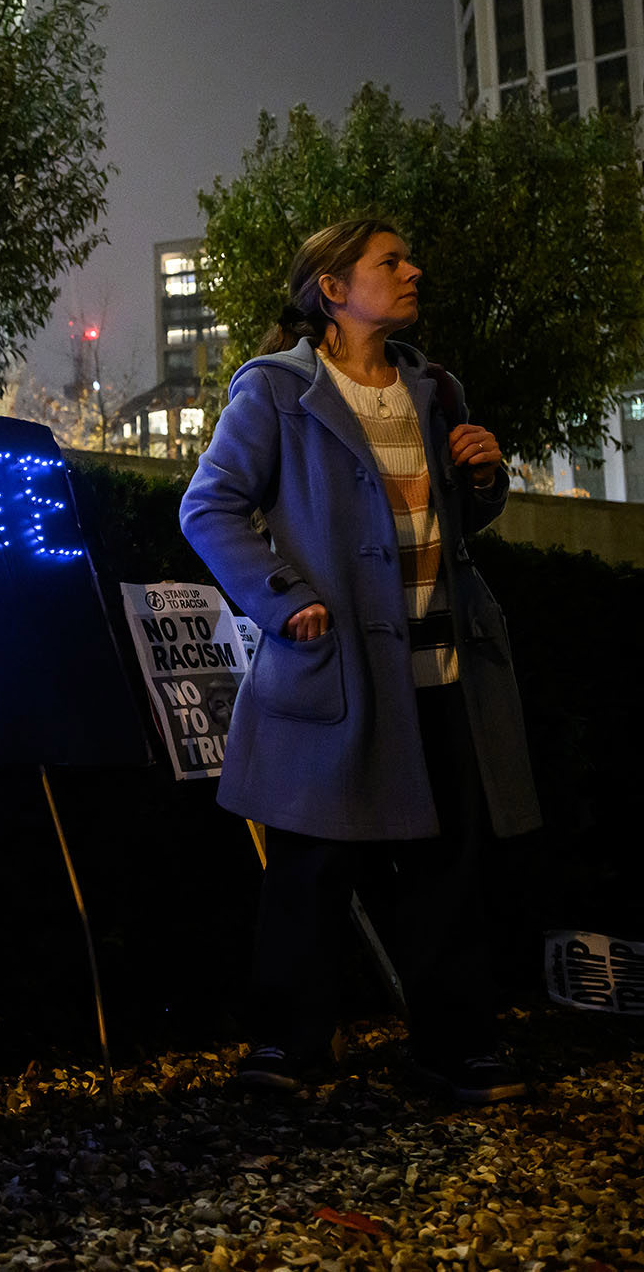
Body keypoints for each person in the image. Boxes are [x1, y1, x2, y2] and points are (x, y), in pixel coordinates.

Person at [180, 218, 541, 1103]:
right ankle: (286, 1050)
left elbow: (453, 523)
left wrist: (485, 477)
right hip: (334, 671)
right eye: (390, 261)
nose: (413, 270)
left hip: (443, 666)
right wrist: (282, 594)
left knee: (446, 868)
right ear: (333, 291)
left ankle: (454, 1051)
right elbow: (209, 506)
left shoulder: (435, 386)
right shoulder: (274, 392)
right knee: (311, 864)